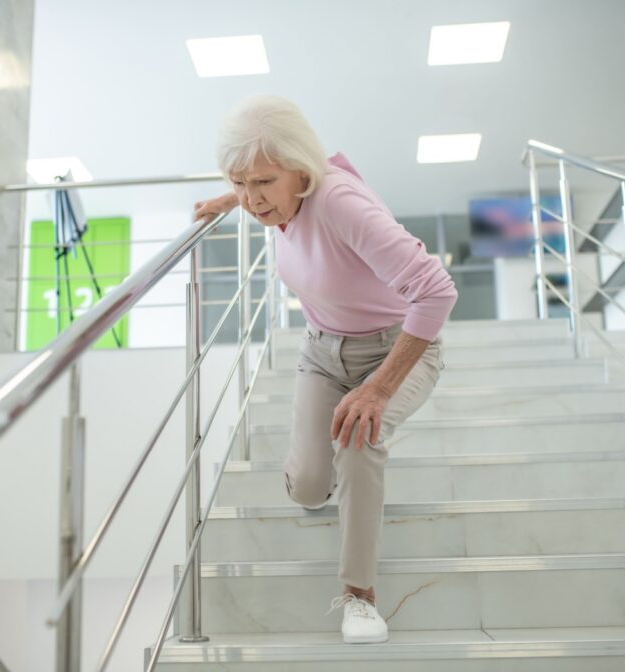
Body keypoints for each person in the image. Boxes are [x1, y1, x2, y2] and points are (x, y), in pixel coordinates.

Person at [194, 95, 457, 644]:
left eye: (261, 183)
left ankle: (360, 597)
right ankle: (331, 465)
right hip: (321, 353)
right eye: (239, 182)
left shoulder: (340, 204)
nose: (253, 198)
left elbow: (436, 291)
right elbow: (260, 192)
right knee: (309, 490)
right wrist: (233, 198)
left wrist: (379, 390)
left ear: (302, 170)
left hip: (395, 351)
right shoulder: (279, 199)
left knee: (359, 437)